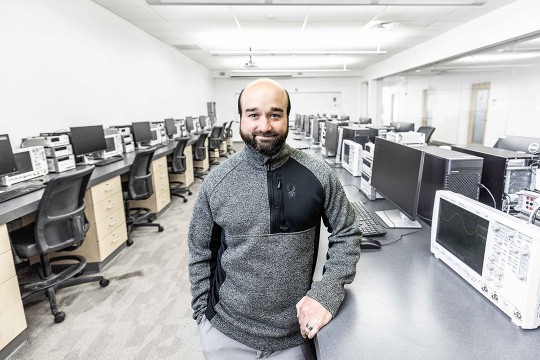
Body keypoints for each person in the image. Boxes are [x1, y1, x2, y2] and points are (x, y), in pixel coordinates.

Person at [188, 78, 362, 359]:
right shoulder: (217, 182)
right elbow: (200, 250)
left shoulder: (319, 175)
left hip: (295, 337)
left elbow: (347, 233)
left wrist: (328, 292)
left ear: (287, 118)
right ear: (241, 118)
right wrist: (201, 313)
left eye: (275, 115)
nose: (265, 126)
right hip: (226, 333)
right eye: (253, 114)